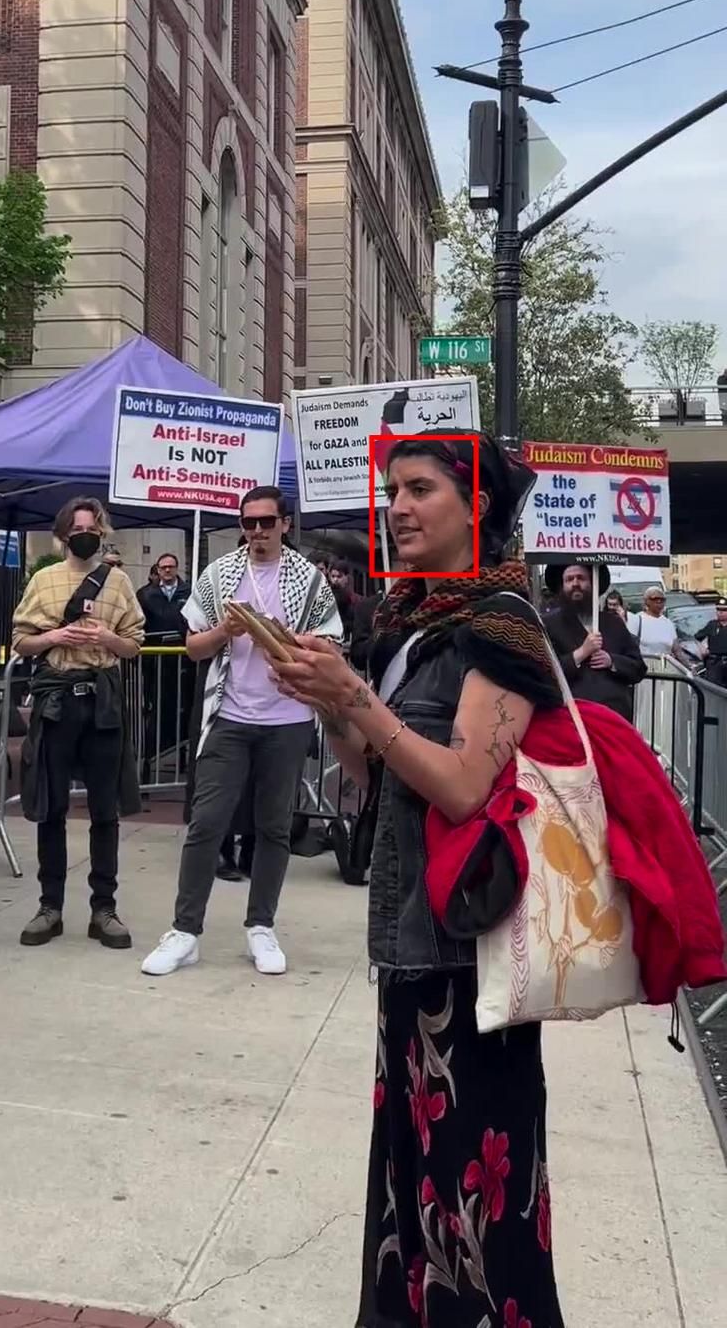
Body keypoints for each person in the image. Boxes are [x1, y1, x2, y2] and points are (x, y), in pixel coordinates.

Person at [272, 433, 566, 1328]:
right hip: (410, 944)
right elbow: (382, 782)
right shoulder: (409, 623)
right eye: (390, 489)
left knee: (475, 1197)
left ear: (475, 508)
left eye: (419, 489)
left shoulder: (504, 626)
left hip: (468, 956)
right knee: (411, 1183)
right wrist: (331, 705)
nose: (396, 506)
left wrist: (357, 700)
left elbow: (467, 786)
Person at [141, 486, 343, 978]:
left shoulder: (309, 579)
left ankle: (261, 927)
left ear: (285, 525)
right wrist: (225, 633)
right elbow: (193, 648)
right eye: (248, 523)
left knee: (274, 827)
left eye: (266, 523)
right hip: (229, 715)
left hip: (287, 718)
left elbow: (332, 645)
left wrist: (284, 639)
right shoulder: (220, 574)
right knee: (207, 823)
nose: (256, 532)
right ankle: (185, 931)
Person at [13, 497, 144, 950]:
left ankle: (103, 909)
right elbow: (21, 643)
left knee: (104, 811)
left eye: (92, 526)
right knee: (51, 808)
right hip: (57, 702)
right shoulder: (43, 579)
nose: (84, 534)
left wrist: (108, 637)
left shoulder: (120, 581)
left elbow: (133, 645)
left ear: (102, 531)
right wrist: (56, 636)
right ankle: (50, 907)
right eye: (77, 527)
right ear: (63, 534)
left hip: (101, 702)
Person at [540, 560, 645, 723]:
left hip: (614, 719)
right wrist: (581, 653)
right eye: (569, 579)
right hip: (570, 720)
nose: (575, 583)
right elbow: (544, 673)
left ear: (592, 583)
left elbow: (638, 668)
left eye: (581, 578)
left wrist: (611, 661)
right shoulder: (548, 625)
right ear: (562, 586)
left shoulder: (614, 623)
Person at [138, 549, 192, 782]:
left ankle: (183, 754)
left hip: (184, 662)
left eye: (171, 566)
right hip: (155, 662)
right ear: (157, 570)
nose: (167, 570)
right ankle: (149, 760)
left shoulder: (189, 592)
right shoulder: (145, 594)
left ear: (176, 568)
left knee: (185, 707)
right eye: (163, 567)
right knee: (155, 707)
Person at [627, 585, 688, 663]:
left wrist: (689, 667)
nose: (659, 601)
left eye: (662, 599)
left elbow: (677, 651)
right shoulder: (636, 620)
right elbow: (629, 647)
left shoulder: (668, 623)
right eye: (654, 599)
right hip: (643, 668)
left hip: (665, 669)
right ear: (646, 601)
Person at [697, 599, 727, 688]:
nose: (720, 612)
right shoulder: (712, 625)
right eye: (718, 610)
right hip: (714, 663)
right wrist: (702, 648)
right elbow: (698, 637)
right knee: (713, 689)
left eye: (724, 610)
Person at [328, 560, 357, 639]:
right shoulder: (327, 594)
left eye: (339, 576)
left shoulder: (354, 598)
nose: (335, 580)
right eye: (333, 576)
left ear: (346, 577)